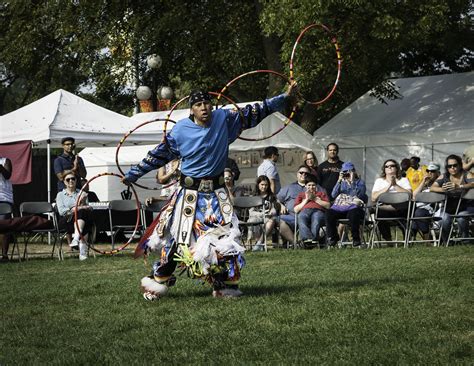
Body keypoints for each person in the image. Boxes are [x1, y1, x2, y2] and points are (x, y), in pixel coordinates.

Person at [123, 86, 297, 300]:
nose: (204, 108)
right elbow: (159, 155)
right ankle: (157, 282)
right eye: (198, 104)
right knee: (180, 239)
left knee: (226, 239)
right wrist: (133, 174)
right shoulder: (180, 131)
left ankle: (225, 286)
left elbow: (256, 111)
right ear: (191, 110)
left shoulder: (224, 120)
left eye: (206, 103)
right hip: (189, 195)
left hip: (217, 195)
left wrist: (284, 98)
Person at [430, 154, 474, 243]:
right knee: (443, 220)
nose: (452, 168)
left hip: (466, 205)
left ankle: (465, 240)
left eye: (455, 165)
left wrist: (459, 186)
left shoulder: (466, 174)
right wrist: (443, 189)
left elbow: (473, 183)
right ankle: (447, 242)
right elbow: (432, 188)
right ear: (447, 167)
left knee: (461, 218)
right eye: (450, 166)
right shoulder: (444, 176)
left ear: (460, 165)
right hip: (449, 207)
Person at [326, 162, 367, 247]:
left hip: (355, 209)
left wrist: (352, 183)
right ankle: (333, 237)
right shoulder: (342, 182)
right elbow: (333, 195)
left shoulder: (360, 183)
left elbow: (358, 196)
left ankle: (355, 238)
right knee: (329, 213)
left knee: (353, 213)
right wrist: (339, 181)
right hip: (341, 208)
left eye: (349, 171)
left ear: (354, 171)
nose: (347, 174)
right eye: (344, 172)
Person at [56, 171, 93, 260]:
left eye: (73, 179)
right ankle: (82, 252)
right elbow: (62, 211)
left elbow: (88, 208)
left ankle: (76, 239)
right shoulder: (60, 195)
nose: (71, 181)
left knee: (83, 214)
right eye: (68, 179)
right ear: (64, 182)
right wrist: (75, 208)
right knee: (81, 213)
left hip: (80, 220)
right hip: (67, 220)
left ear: (76, 181)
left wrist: (83, 201)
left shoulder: (82, 193)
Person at [371, 159, 412, 241]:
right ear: (384, 169)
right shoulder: (379, 181)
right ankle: (388, 239)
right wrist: (388, 186)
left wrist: (395, 185)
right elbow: (373, 198)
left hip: (401, 209)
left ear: (396, 168)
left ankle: (406, 239)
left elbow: (409, 195)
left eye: (392, 166)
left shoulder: (403, 180)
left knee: (406, 207)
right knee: (379, 213)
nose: (389, 167)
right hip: (385, 210)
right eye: (387, 166)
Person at [277, 165, 311, 244]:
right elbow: (276, 199)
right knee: (279, 220)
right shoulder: (289, 187)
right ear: (297, 174)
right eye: (301, 172)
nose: (303, 175)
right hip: (291, 216)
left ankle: (308, 242)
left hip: (309, 217)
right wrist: (281, 205)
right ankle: (295, 243)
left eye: (306, 173)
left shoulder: (314, 187)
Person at [294, 175, 330, 247]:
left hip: (318, 211)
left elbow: (328, 205)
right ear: (305, 186)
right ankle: (308, 239)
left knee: (316, 217)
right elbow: (296, 209)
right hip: (305, 211)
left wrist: (315, 199)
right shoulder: (301, 195)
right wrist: (306, 199)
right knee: (301, 216)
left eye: (313, 185)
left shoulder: (321, 194)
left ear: (316, 186)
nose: (311, 187)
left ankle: (312, 240)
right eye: (309, 185)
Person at [248, 175, 281, 252]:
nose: (264, 187)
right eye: (262, 185)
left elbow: (274, 209)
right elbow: (251, 211)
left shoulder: (271, 196)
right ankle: (259, 243)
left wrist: (272, 211)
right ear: (258, 185)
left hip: (268, 218)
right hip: (257, 217)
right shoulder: (253, 196)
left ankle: (259, 243)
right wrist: (261, 214)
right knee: (254, 220)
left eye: (266, 185)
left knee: (271, 220)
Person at [410, 162, 441, 240]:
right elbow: (414, 196)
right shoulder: (425, 184)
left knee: (418, 213)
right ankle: (416, 238)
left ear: (438, 173)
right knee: (413, 212)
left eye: (433, 171)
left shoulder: (440, 183)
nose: (430, 173)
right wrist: (423, 182)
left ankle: (426, 238)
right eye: (428, 171)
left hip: (435, 209)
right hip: (421, 208)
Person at [0, 156, 13, 262]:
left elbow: (7, 175)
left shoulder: (5, 161)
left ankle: (4, 254)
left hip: (4, 197)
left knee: (4, 225)